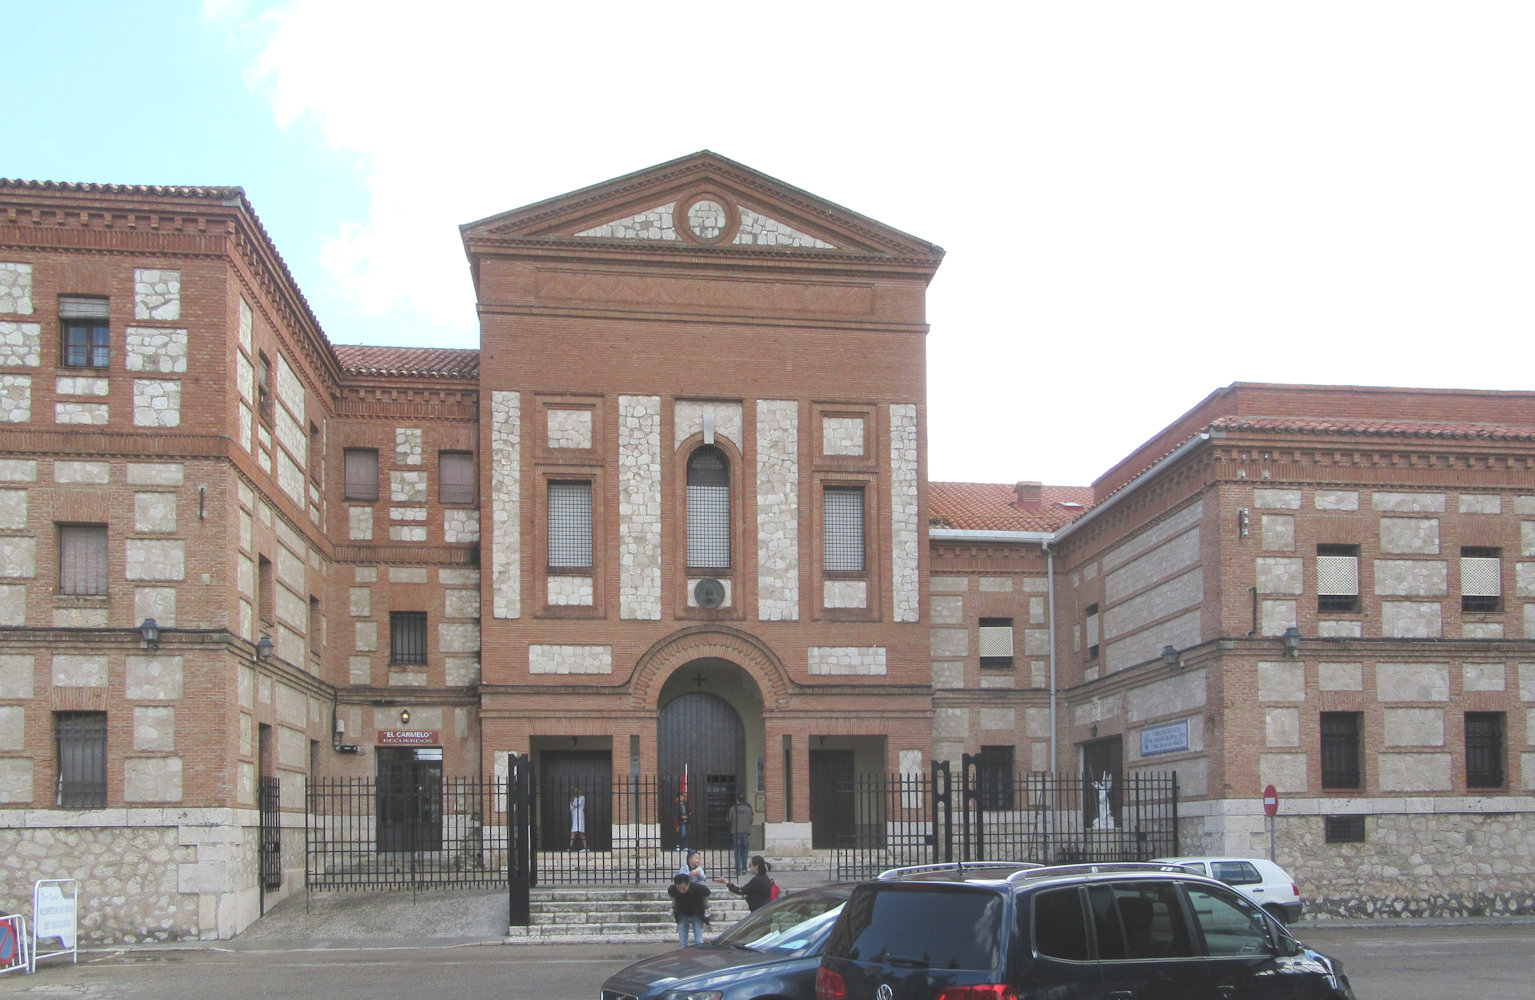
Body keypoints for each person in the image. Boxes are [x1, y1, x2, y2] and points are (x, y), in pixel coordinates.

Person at [668, 872, 710, 946]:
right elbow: (671, 892)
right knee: (682, 941)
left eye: (683, 889)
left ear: (688, 884)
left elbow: (707, 892)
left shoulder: (697, 888)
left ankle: (698, 954)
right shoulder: (673, 889)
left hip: (696, 914)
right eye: (679, 889)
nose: (681, 891)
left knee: (698, 940)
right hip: (682, 915)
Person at [726, 794, 753, 873]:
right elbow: (751, 820)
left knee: (737, 851)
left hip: (736, 832)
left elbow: (729, 820)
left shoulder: (733, 809)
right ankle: (744, 868)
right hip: (745, 832)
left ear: (737, 800)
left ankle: (738, 869)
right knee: (745, 851)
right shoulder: (748, 809)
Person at [568, 786, 587, 852]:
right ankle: (570, 848)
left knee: (581, 832)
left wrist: (573, 803)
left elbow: (576, 804)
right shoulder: (573, 798)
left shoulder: (582, 797)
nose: (576, 792)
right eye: (575, 791)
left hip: (579, 815)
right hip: (574, 815)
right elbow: (571, 808)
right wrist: (572, 802)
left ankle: (585, 847)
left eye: (577, 790)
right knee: (573, 831)